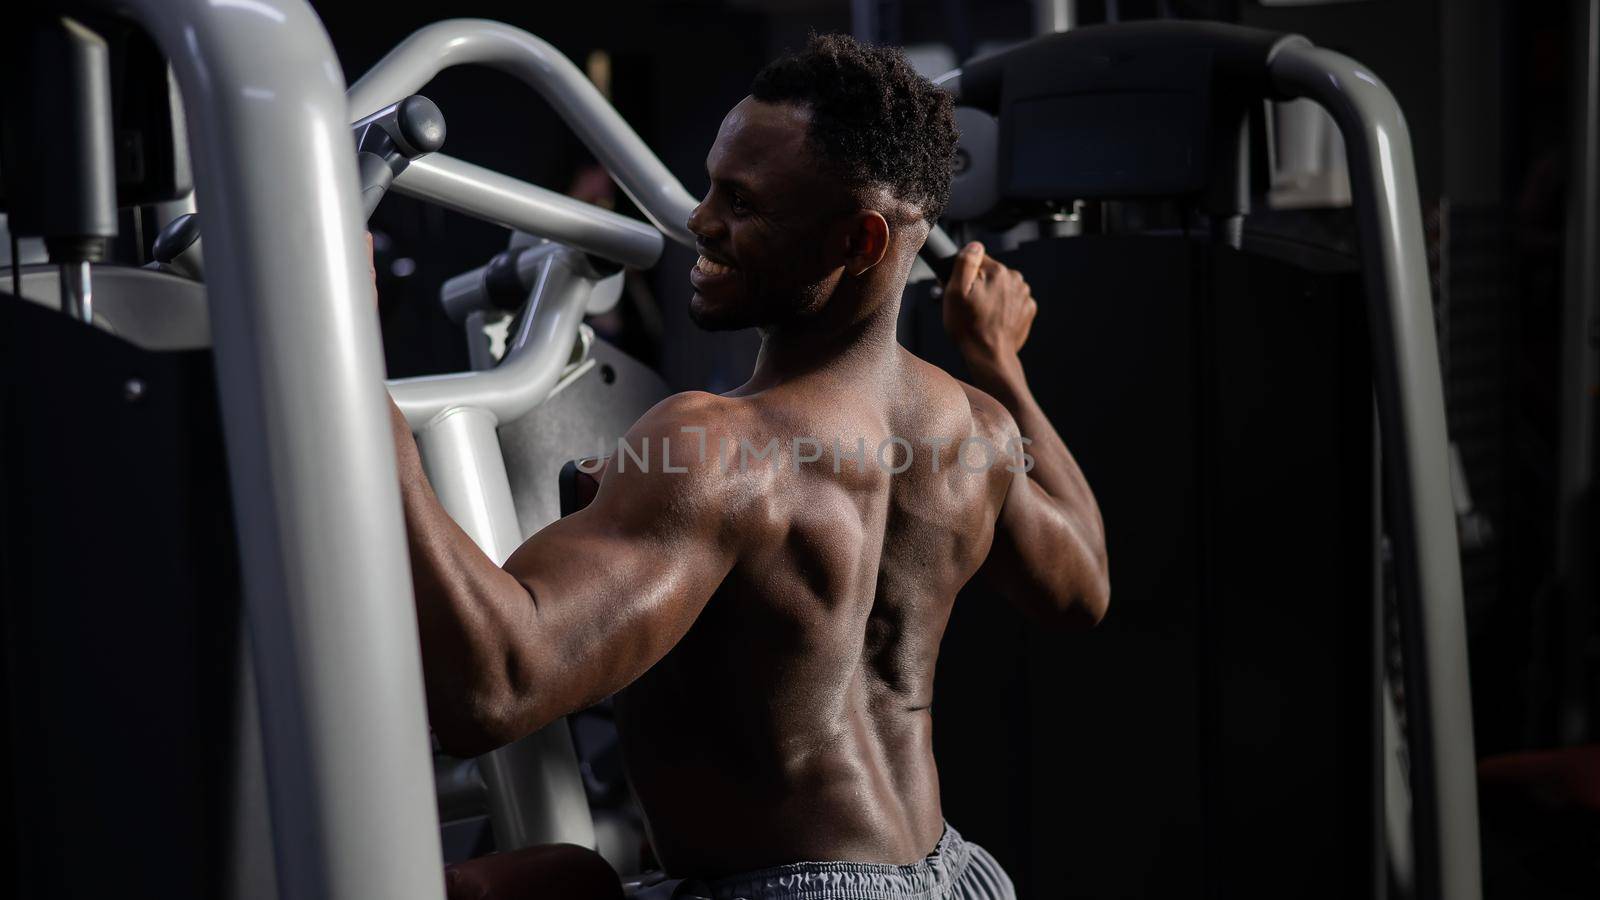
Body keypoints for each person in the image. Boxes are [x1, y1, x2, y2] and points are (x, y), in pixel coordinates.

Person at [389, 33, 1108, 900]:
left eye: (741, 201)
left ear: (861, 239)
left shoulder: (721, 450)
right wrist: (999, 363)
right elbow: (1085, 586)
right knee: (551, 880)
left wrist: (349, 385)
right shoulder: (975, 430)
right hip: (953, 877)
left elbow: (492, 688)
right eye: (709, 185)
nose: (699, 220)